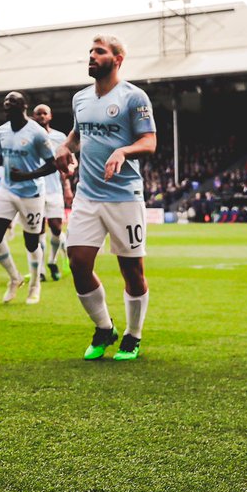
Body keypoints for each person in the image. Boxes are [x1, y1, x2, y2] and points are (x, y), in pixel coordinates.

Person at [54, 36, 157, 361]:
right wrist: (64, 148)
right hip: (87, 195)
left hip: (124, 197)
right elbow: (77, 134)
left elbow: (149, 141)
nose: (92, 56)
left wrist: (123, 151)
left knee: (132, 271)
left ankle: (133, 335)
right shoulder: (81, 98)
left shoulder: (133, 97)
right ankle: (104, 327)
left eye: (99, 52)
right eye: (90, 51)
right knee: (78, 263)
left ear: (118, 58)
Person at [0, 92, 57, 304]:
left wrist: (26, 176)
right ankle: (15, 278)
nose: (7, 107)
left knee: (32, 243)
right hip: (7, 190)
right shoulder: (2, 131)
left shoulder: (37, 133)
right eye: (5, 104)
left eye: (12, 103)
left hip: (32, 193)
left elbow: (51, 164)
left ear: (24, 106)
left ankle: (35, 285)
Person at [31, 103, 73, 280]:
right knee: (38, 231)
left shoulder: (60, 137)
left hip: (55, 189)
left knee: (56, 228)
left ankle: (52, 260)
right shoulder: (29, 136)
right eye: (38, 114)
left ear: (50, 116)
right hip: (35, 190)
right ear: (33, 117)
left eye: (44, 113)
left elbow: (67, 163)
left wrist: (68, 187)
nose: (41, 116)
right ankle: (39, 270)